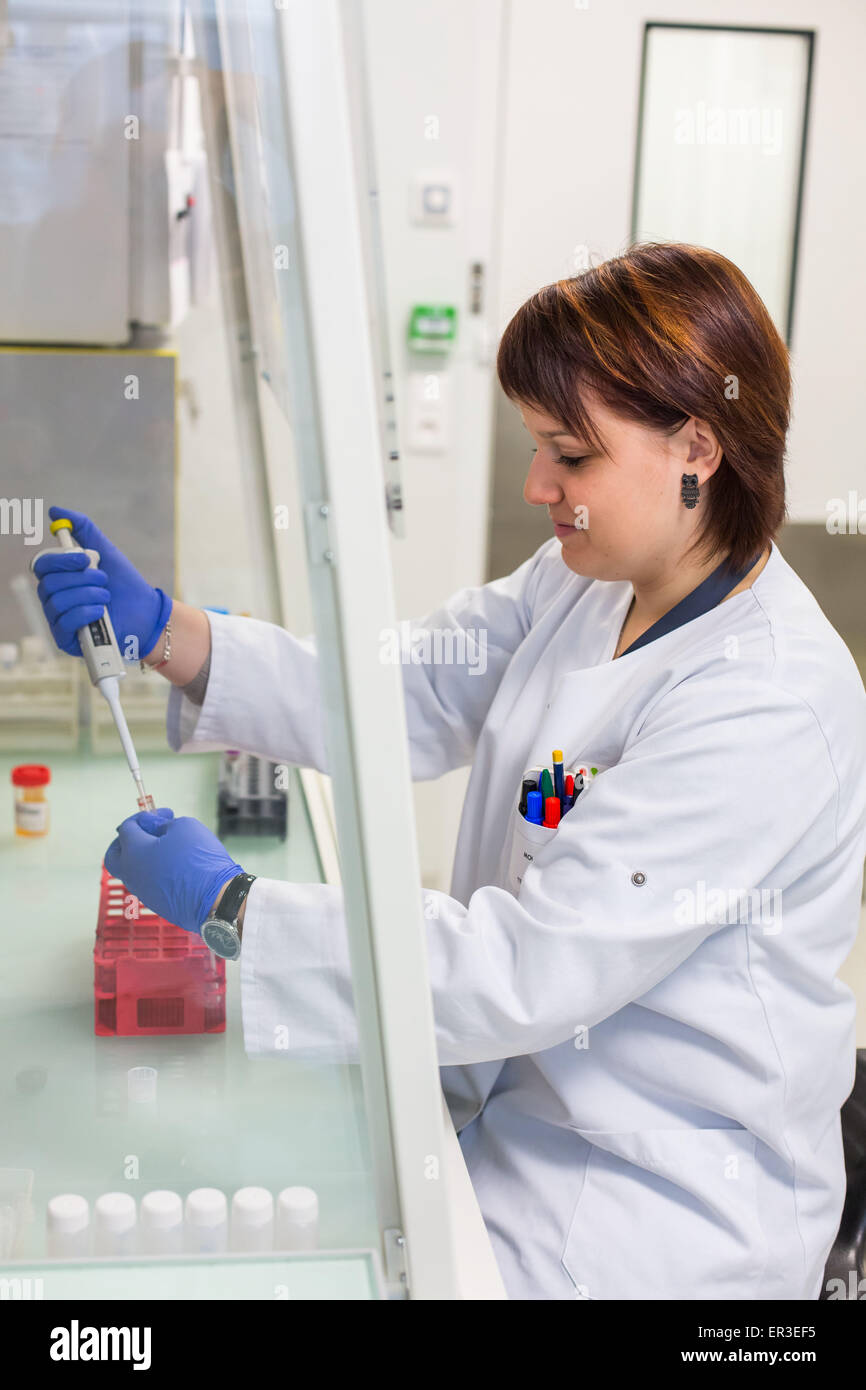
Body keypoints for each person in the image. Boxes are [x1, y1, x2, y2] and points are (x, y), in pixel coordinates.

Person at [34, 242, 866, 1301]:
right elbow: (414, 686)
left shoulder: (766, 704)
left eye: (569, 454)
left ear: (695, 444)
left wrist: (238, 907)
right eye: (536, 447)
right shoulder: (589, 582)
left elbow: (527, 970)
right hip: (498, 1123)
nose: (536, 486)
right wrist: (170, 633)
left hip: (644, 1218)